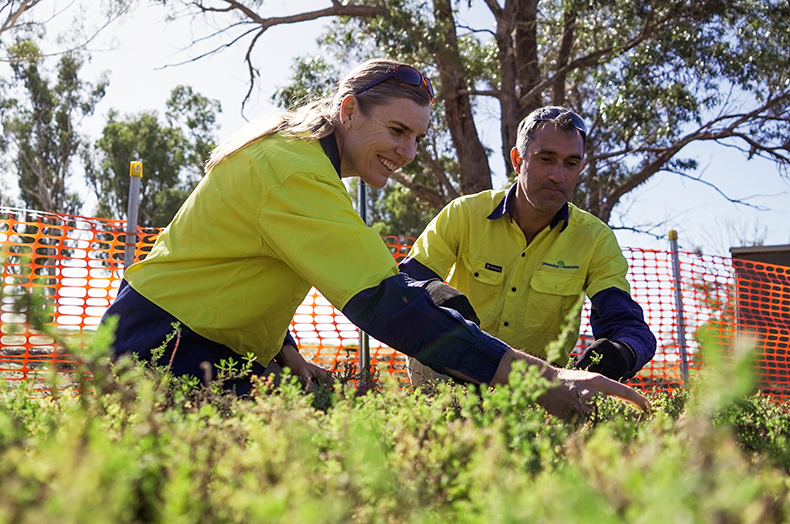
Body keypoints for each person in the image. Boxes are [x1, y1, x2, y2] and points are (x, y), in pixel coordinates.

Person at [102, 61, 649, 417]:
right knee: (333, 451)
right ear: (348, 111)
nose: (409, 153)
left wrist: (287, 354)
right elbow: (390, 300)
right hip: (157, 347)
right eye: (396, 131)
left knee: (331, 427)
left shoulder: (298, 160)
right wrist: (544, 380)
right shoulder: (294, 173)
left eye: (417, 137)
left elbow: (244, 266)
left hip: (206, 347)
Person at [400, 106, 656, 387]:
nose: (558, 175)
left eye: (571, 163)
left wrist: (622, 352)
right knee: (427, 336)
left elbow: (629, 326)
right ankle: (436, 429)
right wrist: (436, 293)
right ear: (517, 159)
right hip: (454, 365)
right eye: (546, 159)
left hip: (538, 385)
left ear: (581, 168)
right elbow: (405, 281)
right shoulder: (464, 214)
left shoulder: (596, 240)